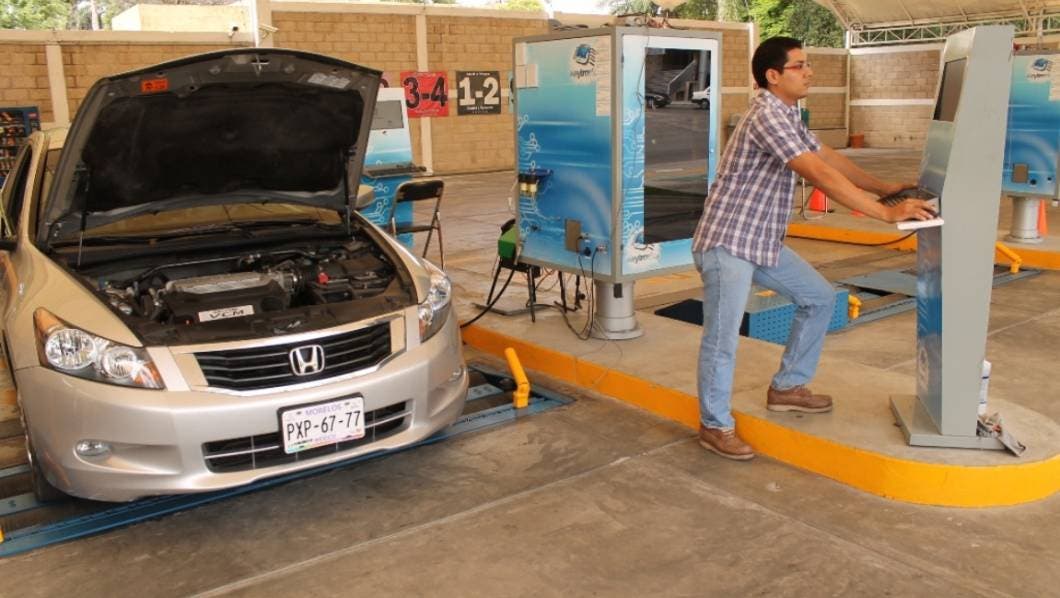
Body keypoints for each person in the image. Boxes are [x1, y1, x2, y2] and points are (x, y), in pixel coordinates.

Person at [691, 36, 936, 460]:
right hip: (728, 242)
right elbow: (817, 173)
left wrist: (884, 186)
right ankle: (714, 425)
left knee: (819, 298)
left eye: (808, 65)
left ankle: (787, 387)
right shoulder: (767, 116)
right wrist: (884, 213)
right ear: (773, 76)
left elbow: (827, 156)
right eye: (799, 65)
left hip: (760, 240)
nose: (809, 72)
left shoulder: (788, 114)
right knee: (722, 339)